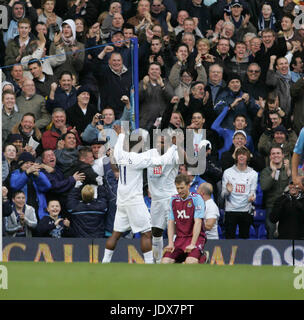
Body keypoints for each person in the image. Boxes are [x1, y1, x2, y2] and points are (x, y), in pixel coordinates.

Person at [102, 125, 178, 264]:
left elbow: (117, 151)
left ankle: (104, 263)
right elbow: (161, 161)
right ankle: (149, 265)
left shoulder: (121, 154)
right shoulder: (137, 159)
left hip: (122, 201)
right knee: (147, 233)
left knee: (116, 234)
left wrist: (121, 135)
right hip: (134, 200)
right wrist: (172, 147)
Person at [161, 174, 208, 264]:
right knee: (165, 262)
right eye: (177, 188)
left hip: (196, 238)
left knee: (190, 262)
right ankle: (182, 258)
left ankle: (202, 258)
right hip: (180, 239)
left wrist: (193, 244)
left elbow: (198, 222)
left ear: (188, 186)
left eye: (182, 188)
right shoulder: (173, 199)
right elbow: (171, 222)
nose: (179, 191)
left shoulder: (196, 198)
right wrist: (170, 242)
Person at [147, 134, 180, 263]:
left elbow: (187, 160)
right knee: (156, 231)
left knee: (175, 229)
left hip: (170, 198)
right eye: (158, 142)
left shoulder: (174, 154)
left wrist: (178, 145)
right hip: (155, 200)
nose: (160, 144)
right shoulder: (150, 155)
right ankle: (157, 259)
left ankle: (177, 257)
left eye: (163, 142)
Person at [221, 146, 258, 239]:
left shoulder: (253, 174)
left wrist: (253, 197)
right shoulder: (227, 172)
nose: (241, 156)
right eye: (239, 154)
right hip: (230, 211)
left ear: (248, 157)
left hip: (246, 211)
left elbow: (253, 192)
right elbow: (223, 195)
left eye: (244, 155)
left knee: (245, 241)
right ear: (236, 157)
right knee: (229, 240)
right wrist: (228, 191)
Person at [9, 152, 51, 221]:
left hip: (39, 210)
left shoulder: (38, 173)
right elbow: (14, 186)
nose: (29, 165)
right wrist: (27, 173)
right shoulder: (16, 173)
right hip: (23, 210)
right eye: (26, 163)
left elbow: (47, 187)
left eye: (31, 163)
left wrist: (38, 176)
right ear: (21, 165)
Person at [260, 146, 291, 239]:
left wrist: (289, 171)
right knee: (271, 234)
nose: (275, 155)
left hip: (287, 207)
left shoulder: (288, 170)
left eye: (278, 153)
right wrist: (273, 172)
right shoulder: (265, 171)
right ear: (270, 156)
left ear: (282, 156)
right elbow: (264, 187)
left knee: (287, 235)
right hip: (272, 207)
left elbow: (295, 187)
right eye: (273, 153)